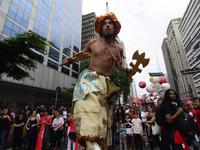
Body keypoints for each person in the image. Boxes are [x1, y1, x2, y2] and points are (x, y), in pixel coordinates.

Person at [63, 12, 136, 149]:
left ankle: (97, 144)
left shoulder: (118, 49)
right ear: (100, 28)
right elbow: (82, 55)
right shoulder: (93, 42)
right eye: (105, 24)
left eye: (110, 24)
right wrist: (71, 59)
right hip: (89, 79)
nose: (107, 26)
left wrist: (127, 71)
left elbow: (119, 65)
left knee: (103, 116)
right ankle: (90, 143)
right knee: (86, 107)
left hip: (107, 84)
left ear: (115, 28)